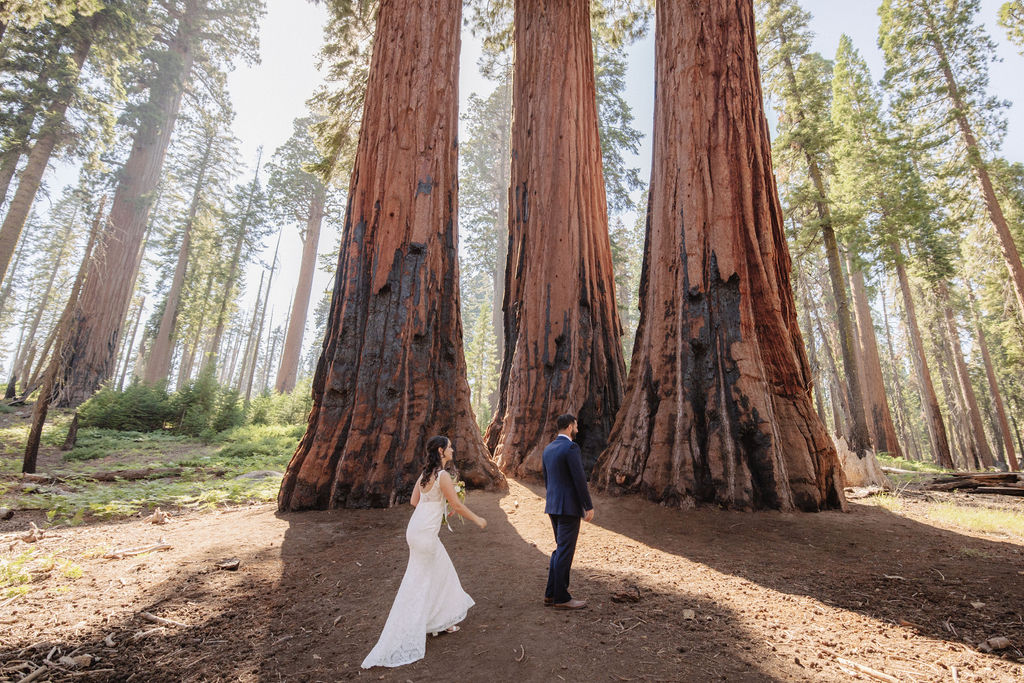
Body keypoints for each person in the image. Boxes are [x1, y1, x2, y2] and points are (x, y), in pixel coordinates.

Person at [361, 436, 488, 669]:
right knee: (423, 579)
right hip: (425, 535)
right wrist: (477, 518)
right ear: (441, 450)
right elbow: (457, 506)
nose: (452, 449)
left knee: (441, 573)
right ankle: (417, 623)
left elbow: (414, 502)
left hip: (415, 530)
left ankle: (442, 621)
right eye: (449, 446)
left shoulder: (425, 475)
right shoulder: (443, 476)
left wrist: (437, 508)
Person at [542, 413, 595, 610]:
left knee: (560, 549)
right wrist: (587, 505)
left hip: (553, 506)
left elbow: (547, 480)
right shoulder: (571, 447)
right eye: (576, 426)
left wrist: (554, 500)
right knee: (565, 551)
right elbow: (579, 479)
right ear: (570, 426)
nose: (578, 429)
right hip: (569, 508)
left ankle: (550, 594)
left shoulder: (548, 449)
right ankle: (561, 597)